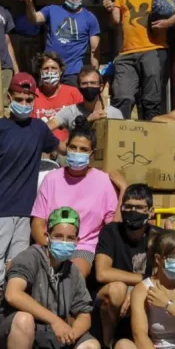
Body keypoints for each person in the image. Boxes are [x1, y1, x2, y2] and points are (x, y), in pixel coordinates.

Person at [0, 72, 60, 317]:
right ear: (8, 97)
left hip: (24, 216)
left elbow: (62, 148)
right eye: (19, 99)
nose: (24, 103)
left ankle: (9, 329)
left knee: (16, 275)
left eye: (29, 100)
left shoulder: (39, 129)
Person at [0, 207, 101, 349]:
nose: (64, 242)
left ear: (77, 241)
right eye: (58, 236)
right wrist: (55, 321)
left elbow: (84, 314)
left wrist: (71, 333)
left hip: (47, 335)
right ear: (47, 236)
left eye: (70, 238)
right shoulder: (30, 257)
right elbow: (13, 294)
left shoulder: (73, 271)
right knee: (24, 320)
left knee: (91, 348)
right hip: (7, 331)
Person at [31, 118, 118, 278]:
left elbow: (112, 225)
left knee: (73, 274)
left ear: (92, 154)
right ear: (66, 148)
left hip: (84, 247)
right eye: (73, 147)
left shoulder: (103, 182)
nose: (77, 152)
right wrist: (48, 246)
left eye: (83, 149)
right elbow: (38, 222)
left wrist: (124, 190)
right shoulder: (52, 179)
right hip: (51, 244)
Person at [94, 184, 164, 349]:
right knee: (117, 289)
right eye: (128, 207)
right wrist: (141, 279)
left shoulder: (158, 236)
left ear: (151, 212)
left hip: (144, 291)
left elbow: (162, 278)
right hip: (113, 295)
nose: (133, 212)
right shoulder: (111, 231)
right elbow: (102, 272)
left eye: (139, 208)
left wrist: (136, 291)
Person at [21, 0, 102, 86]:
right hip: (50, 69)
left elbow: (94, 51)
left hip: (73, 73)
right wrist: (29, 3)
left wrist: (95, 75)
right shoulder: (52, 10)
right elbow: (34, 18)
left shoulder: (90, 18)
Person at [30, 51, 83, 143]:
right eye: (46, 68)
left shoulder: (73, 93)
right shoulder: (33, 95)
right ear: (40, 72)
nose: (50, 71)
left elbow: (82, 123)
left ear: (60, 71)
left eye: (54, 68)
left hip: (67, 146)